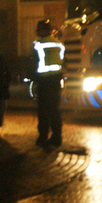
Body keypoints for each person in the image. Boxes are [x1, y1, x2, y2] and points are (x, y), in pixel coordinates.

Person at [32, 19, 65, 148]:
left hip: (44, 81)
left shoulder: (38, 44)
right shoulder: (59, 44)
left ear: (43, 30)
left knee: (43, 111)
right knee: (55, 110)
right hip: (56, 80)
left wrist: (32, 76)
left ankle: (43, 137)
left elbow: (33, 63)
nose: (37, 31)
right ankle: (57, 137)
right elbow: (62, 60)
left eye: (38, 29)